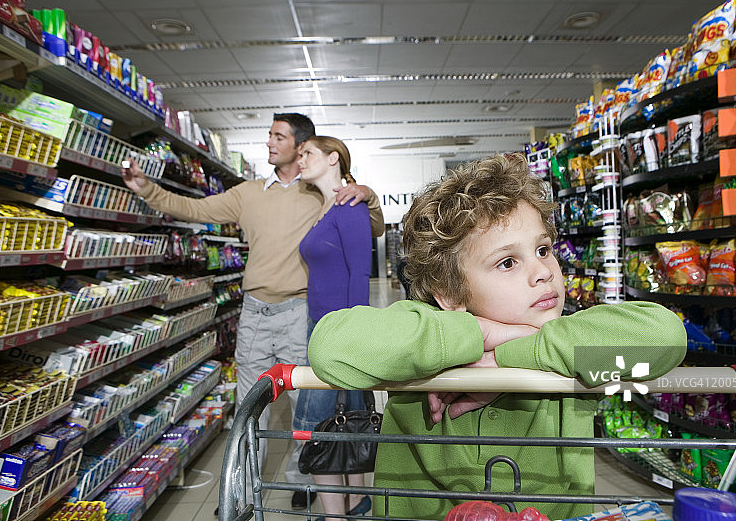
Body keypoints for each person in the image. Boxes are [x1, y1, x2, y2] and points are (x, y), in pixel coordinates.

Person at [307, 154, 686, 520]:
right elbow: (329, 349)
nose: (543, 271)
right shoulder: (423, 336)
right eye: (507, 262)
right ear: (449, 293)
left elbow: (666, 337)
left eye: (543, 249)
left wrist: (509, 355)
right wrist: (480, 333)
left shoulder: (569, 344)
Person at [121, 113, 385, 510]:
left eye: (278, 136)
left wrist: (368, 193)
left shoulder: (319, 193)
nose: (269, 143)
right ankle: (242, 493)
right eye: (269, 136)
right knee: (249, 405)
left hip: (300, 309)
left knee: (307, 405)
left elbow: (371, 226)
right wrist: (148, 190)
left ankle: (306, 482)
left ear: (301, 146)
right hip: (255, 313)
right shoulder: (248, 193)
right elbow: (195, 209)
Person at [291, 136, 372, 521]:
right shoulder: (326, 207)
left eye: (307, 153)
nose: (300, 159)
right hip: (322, 326)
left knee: (318, 425)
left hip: (337, 331)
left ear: (333, 158)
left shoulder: (349, 206)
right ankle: (354, 502)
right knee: (345, 417)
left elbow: (360, 273)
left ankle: (335, 515)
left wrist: (353, 334)